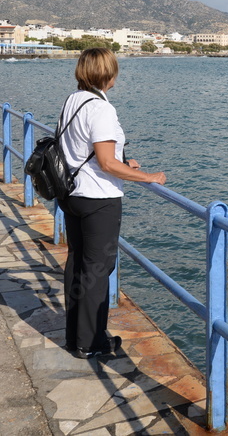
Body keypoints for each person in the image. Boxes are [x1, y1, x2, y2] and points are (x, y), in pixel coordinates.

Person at [58, 47, 166, 358]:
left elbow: (83, 151)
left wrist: (122, 162)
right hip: (98, 199)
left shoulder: (73, 100)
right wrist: (148, 176)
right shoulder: (102, 109)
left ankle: (75, 336)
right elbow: (105, 163)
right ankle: (91, 343)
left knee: (77, 263)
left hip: (73, 195)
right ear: (109, 74)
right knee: (97, 269)